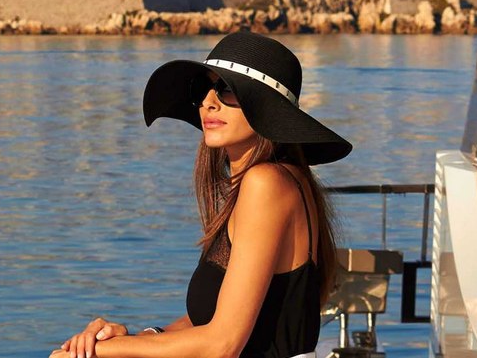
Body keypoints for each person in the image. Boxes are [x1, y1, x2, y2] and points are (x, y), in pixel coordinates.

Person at [50, 31, 352, 358]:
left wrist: (95, 354)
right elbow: (208, 319)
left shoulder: (266, 183)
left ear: (267, 108)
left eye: (226, 89)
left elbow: (223, 345)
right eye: (203, 89)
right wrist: (140, 336)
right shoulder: (277, 180)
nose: (209, 101)